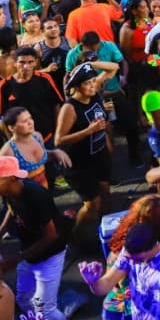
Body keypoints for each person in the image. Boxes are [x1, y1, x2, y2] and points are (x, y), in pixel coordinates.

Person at [0, 155, 70, 320]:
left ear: (12, 178)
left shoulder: (36, 196)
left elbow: (51, 236)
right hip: (29, 252)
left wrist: (15, 260)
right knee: (23, 298)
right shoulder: (9, 191)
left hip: (50, 255)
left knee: (46, 309)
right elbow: (11, 208)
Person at [79, 221, 160, 320]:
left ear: (153, 246)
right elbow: (105, 285)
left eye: (138, 260)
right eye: (129, 258)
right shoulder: (129, 253)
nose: (132, 263)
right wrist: (93, 282)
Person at [54, 62, 112, 229]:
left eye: (93, 81)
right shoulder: (70, 108)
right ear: (77, 87)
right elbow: (59, 140)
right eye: (87, 83)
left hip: (99, 156)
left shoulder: (95, 95)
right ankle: (75, 238)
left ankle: (108, 231)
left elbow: (112, 68)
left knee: (106, 195)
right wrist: (87, 131)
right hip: (79, 163)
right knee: (92, 205)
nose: (92, 85)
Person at [0, 107, 70, 189]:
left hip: (44, 191)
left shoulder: (37, 136)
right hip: (24, 197)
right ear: (12, 128)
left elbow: (40, 158)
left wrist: (54, 153)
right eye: (24, 121)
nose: (30, 122)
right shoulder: (9, 150)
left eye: (30, 118)